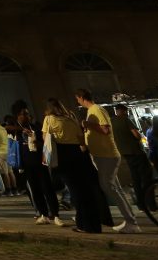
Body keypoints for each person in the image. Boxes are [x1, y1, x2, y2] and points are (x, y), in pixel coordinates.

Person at [75, 89, 141, 233]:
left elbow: (106, 130)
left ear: (81, 97)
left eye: (78, 99)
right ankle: (130, 220)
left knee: (108, 186)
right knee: (115, 188)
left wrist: (88, 125)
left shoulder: (96, 109)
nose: (78, 102)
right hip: (103, 155)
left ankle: (131, 222)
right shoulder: (92, 110)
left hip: (106, 155)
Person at [43, 98, 101, 233]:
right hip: (77, 153)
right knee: (84, 189)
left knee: (75, 190)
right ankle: (91, 223)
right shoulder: (71, 118)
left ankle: (85, 225)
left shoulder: (49, 119)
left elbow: (45, 138)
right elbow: (81, 139)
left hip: (62, 155)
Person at [112, 103, 151, 209]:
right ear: (124, 111)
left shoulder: (112, 121)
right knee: (146, 178)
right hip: (136, 152)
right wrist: (140, 136)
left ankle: (141, 204)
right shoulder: (126, 120)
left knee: (135, 179)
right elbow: (136, 135)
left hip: (125, 154)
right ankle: (150, 203)